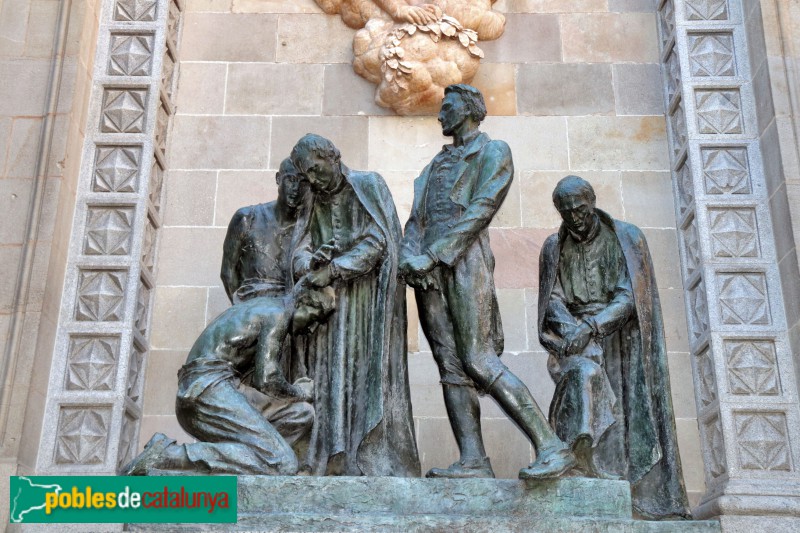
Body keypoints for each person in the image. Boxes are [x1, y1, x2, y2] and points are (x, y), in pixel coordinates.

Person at [399, 84, 575, 480]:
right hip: (427, 274)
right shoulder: (433, 166)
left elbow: (481, 209)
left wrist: (434, 254)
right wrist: (409, 256)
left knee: (478, 359)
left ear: (468, 109)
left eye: (447, 107)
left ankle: (551, 445)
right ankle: (473, 460)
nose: (440, 114)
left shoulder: (494, 151)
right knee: (449, 365)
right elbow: (416, 220)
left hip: (465, 260)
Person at [538, 175, 691, 519]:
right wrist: (574, 331)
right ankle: (580, 466)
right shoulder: (553, 246)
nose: (574, 217)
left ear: (592, 202)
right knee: (582, 384)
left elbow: (629, 295)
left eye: (579, 209)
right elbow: (552, 300)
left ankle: (631, 492)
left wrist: (593, 327)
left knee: (626, 412)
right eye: (566, 212)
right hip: (573, 336)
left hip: (621, 335)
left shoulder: (626, 236)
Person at [290, 133, 420, 477]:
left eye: (316, 169)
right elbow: (299, 246)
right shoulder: (312, 200)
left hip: (366, 303)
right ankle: (325, 456)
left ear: (332, 156)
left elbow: (379, 240)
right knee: (326, 376)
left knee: (361, 376)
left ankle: (362, 459)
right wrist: (310, 263)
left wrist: (335, 268)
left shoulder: (368, 184)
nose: (313, 179)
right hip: (325, 308)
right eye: (306, 174)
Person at [119, 289, 331, 476]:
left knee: (301, 414)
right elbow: (267, 379)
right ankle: (168, 455)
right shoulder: (277, 313)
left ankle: (261, 457)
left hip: (221, 385)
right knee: (284, 464)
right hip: (207, 388)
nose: (312, 328)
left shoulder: (263, 308)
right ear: (303, 302)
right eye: (315, 318)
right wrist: (300, 392)